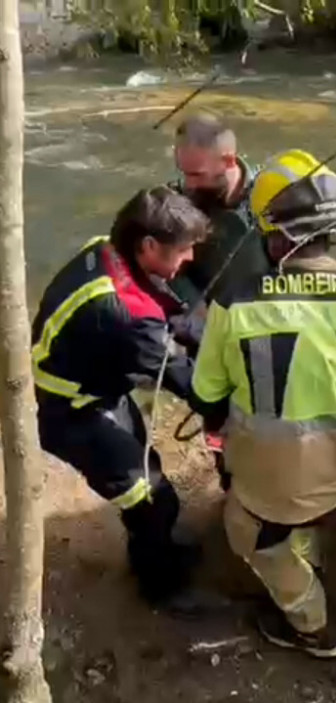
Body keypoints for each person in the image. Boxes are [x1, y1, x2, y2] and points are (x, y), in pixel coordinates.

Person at [189, 149, 336, 660]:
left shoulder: (234, 303)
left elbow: (208, 395)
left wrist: (226, 448)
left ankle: (312, 628)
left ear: (273, 236)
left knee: (246, 536)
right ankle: (309, 540)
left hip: (268, 486)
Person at [32, 187, 209, 606]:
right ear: (148, 246)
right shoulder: (124, 314)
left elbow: (163, 310)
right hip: (72, 412)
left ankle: (152, 544)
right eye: (183, 251)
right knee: (153, 497)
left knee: (148, 472)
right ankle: (160, 588)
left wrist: (191, 329)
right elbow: (188, 384)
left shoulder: (106, 250)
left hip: (91, 386)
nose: (189, 260)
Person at [167, 113, 269, 351]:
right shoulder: (180, 200)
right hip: (209, 326)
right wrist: (195, 305)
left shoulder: (271, 195)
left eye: (197, 174)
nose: (189, 184)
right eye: (184, 172)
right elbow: (171, 268)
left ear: (229, 161)